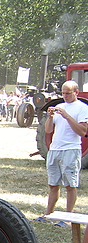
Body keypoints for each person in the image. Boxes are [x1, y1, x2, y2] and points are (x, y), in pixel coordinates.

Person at [34, 81, 88, 226]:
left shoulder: (82, 108)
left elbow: (82, 131)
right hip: (55, 150)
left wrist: (67, 116)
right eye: (63, 93)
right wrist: (50, 117)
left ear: (76, 92)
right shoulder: (60, 106)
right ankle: (47, 214)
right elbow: (48, 130)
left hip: (70, 150)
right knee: (53, 184)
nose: (64, 96)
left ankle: (67, 218)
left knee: (70, 185)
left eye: (68, 93)